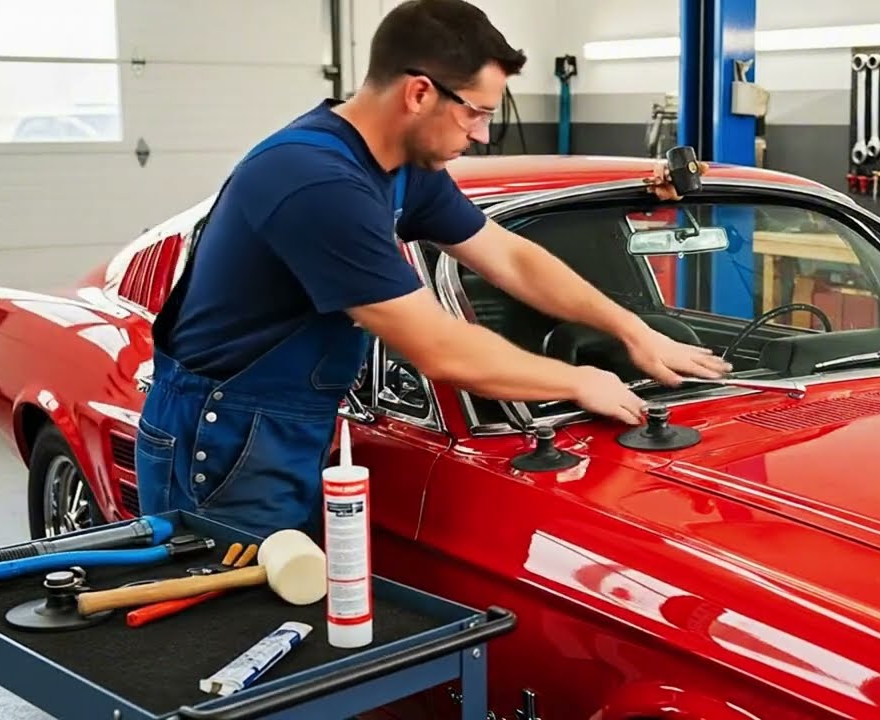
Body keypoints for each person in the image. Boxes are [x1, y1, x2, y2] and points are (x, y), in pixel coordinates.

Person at [133, 0, 730, 539]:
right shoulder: (314, 180)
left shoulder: (401, 167)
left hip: (286, 426)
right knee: (231, 617)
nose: (483, 134)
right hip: (221, 433)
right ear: (419, 93)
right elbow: (439, 349)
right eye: (476, 113)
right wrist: (579, 381)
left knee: (295, 602)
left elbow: (510, 257)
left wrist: (631, 329)